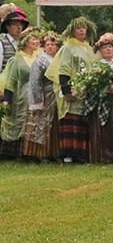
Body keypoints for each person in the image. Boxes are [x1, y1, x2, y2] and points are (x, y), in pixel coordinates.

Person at [48, 16, 98, 164]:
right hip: (72, 89)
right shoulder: (67, 48)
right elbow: (63, 70)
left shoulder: (88, 48)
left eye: (83, 27)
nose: (81, 30)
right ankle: (67, 154)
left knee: (82, 123)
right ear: (73, 30)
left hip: (85, 91)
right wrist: (66, 91)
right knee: (70, 122)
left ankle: (80, 154)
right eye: (78, 28)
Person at [88, 33, 113, 164]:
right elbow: (92, 86)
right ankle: (102, 156)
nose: (108, 49)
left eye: (110, 47)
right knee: (103, 130)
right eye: (105, 48)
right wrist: (105, 88)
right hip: (102, 101)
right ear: (100, 51)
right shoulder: (97, 66)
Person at [0, 28, 39, 158]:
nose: (36, 41)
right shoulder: (16, 60)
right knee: (21, 121)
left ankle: (33, 152)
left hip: (37, 96)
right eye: (33, 39)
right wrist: (7, 100)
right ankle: (16, 152)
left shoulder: (39, 58)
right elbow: (10, 82)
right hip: (22, 97)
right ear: (25, 42)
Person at [22, 32, 60, 162]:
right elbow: (35, 81)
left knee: (52, 124)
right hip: (43, 95)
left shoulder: (58, 59)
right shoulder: (40, 60)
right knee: (40, 124)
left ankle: (51, 152)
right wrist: (38, 100)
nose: (50, 46)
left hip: (55, 96)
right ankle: (37, 153)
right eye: (47, 44)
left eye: (53, 44)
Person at [0, 6, 29, 72]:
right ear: (7, 26)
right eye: (15, 24)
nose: (19, 27)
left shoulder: (23, 43)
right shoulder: (1, 43)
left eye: (21, 24)